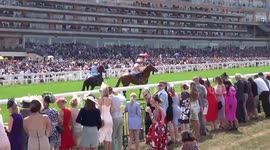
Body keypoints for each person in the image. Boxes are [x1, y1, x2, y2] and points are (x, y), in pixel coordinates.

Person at [98, 83, 114, 150]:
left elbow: (99, 110)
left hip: (104, 118)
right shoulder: (110, 99)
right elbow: (112, 109)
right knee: (109, 138)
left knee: (104, 138)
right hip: (110, 118)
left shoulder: (101, 99)